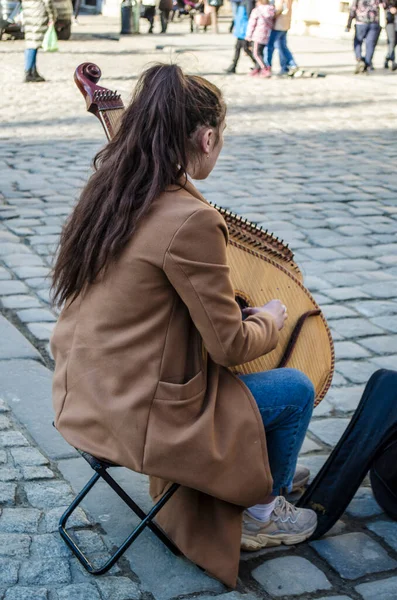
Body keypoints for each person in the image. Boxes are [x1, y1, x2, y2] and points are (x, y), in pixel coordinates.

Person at [50, 64, 317, 588]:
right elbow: (231, 348)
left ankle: (247, 468)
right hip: (139, 419)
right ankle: (263, 507)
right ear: (207, 136)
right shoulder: (189, 219)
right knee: (295, 388)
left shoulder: (113, 188)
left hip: (81, 396)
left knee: (239, 394)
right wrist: (268, 318)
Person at [21, 0, 56, 82]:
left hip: (28, 13)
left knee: (31, 42)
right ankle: (29, 71)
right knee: (34, 44)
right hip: (38, 14)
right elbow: (48, 2)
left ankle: (32, 70)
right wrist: (52, 16)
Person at [346, 0, 384, 73]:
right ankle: (367, 63)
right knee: (370, 44)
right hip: (374, 22)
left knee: (358, 41)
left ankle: (359, 59)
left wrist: (349, 23)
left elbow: (353, 8)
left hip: (361, 21)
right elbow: (384, 5)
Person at [267, 0, 300, 77]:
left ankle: (267, 67)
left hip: (278, 24)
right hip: (285, 23)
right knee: (282, 46)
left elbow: (280, 8)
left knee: (270, 46)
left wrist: (270, 15)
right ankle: (289, 65)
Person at [245, 0, 275, 76]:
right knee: (261, 52)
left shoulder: (257, 11)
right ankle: (257, 69)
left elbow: (252, 24)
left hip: (257, 35)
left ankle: (264, 68)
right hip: (266, 34)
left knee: (256, 53)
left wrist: (248, 35)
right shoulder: (271, 10)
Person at [225, 0, 256, 73]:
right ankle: (233, 66)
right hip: (240, 30)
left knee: (246, 48)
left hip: (244, 30)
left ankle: (258, 65)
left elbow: (249, 17)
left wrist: (248, 32)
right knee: (238, 48)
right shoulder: (243, 2)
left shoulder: (249, 2)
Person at [384, 1, 397, 70]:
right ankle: (393, 61)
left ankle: (387, 57)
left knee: (393, 43)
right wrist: (390, 8)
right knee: (392, 41)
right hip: (391, 22)